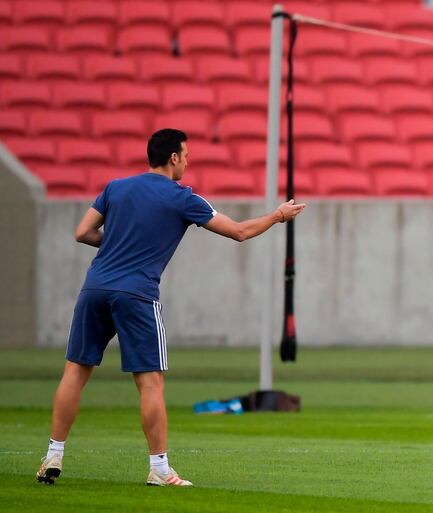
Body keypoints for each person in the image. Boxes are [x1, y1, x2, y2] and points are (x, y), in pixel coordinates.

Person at [36, 129, 305, 487]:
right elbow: (239, 232)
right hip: (137, 294)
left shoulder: (116, 187)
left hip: (95, 287)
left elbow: (82, 232)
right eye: (187, 155)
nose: (188, 161)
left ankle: (54, 454)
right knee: (150, 382)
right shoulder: (182, 198)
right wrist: (277, 215)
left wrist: (117, 244)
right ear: (174, 158)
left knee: (75, 371)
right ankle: (160, 469)